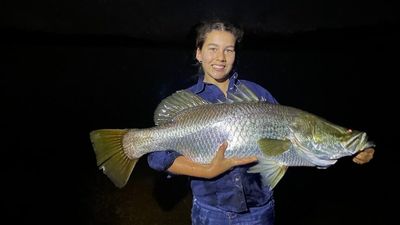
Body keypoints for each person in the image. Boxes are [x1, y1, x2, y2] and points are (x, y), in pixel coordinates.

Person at [147, 20, 375, 225]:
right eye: (212, 49)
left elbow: (302, 153)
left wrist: (353, 149)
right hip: (210, 212)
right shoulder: (191, 102)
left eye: (229, 50)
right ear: (198, 53)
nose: (221, 58)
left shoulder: (259, 94)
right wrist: (207, 170)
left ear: (235, 54)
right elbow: (156, 157)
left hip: (259, 212)